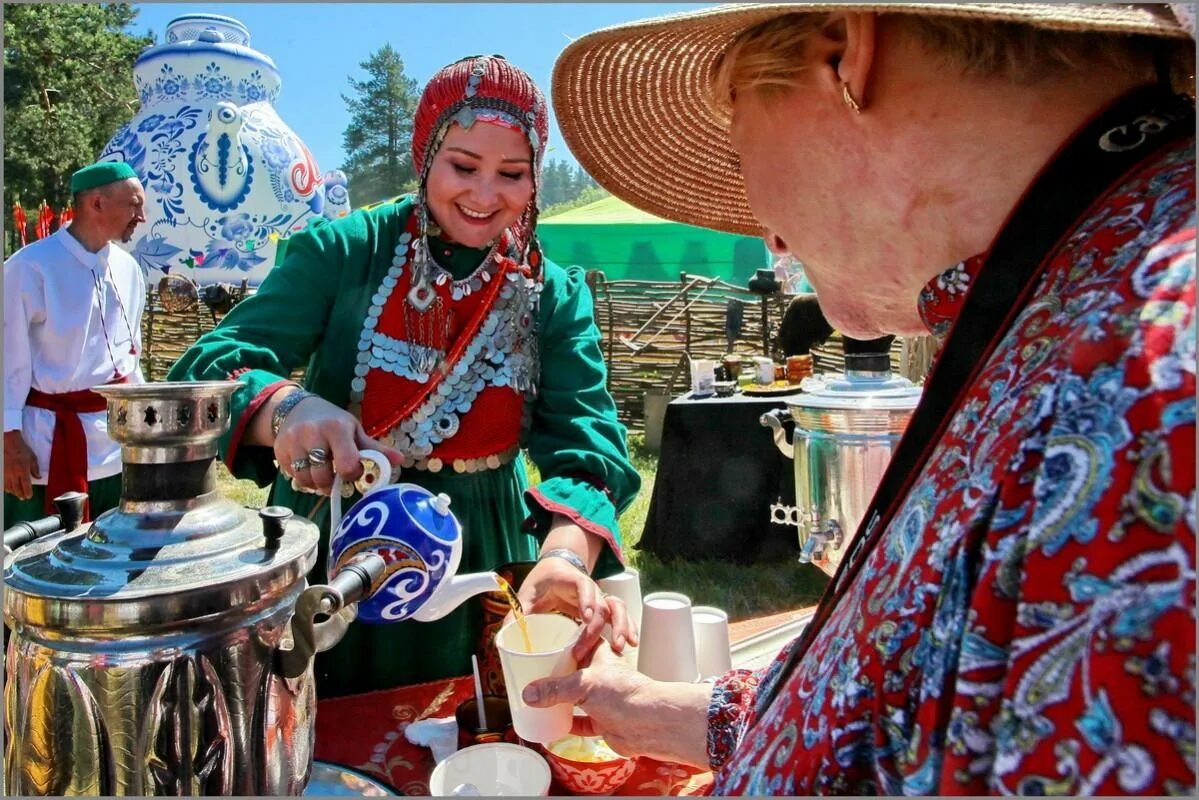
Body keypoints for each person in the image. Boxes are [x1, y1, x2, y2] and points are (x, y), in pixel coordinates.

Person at [530, 4, 1196, 794]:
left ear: (846, 56)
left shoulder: (1153, 374)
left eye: (738, 152)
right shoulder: (1080, 300)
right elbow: (936, 707)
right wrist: (686, 713)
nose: (764, 233)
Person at [169, 55, 640, 698]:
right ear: (425, 156)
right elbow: (208, 367)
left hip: (481, 565)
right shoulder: (342, 252)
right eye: (463, 166)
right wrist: (288, 411)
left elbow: (589, 453)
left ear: (535, 182)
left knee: (470, 749)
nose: (483, 195)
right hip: (336, 549)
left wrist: (561, 558)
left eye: (512, 174)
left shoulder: (551, 296)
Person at [4, 161, 147, 524]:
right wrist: (8, 442)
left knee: (111, 560)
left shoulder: (129, 268)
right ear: (96, 204)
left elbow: (131, 361)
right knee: (33, 562)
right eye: (133, 205)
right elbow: (7, 361)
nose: (141, 216)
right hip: (45, 448)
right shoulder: (30, 267)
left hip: (114, 447)